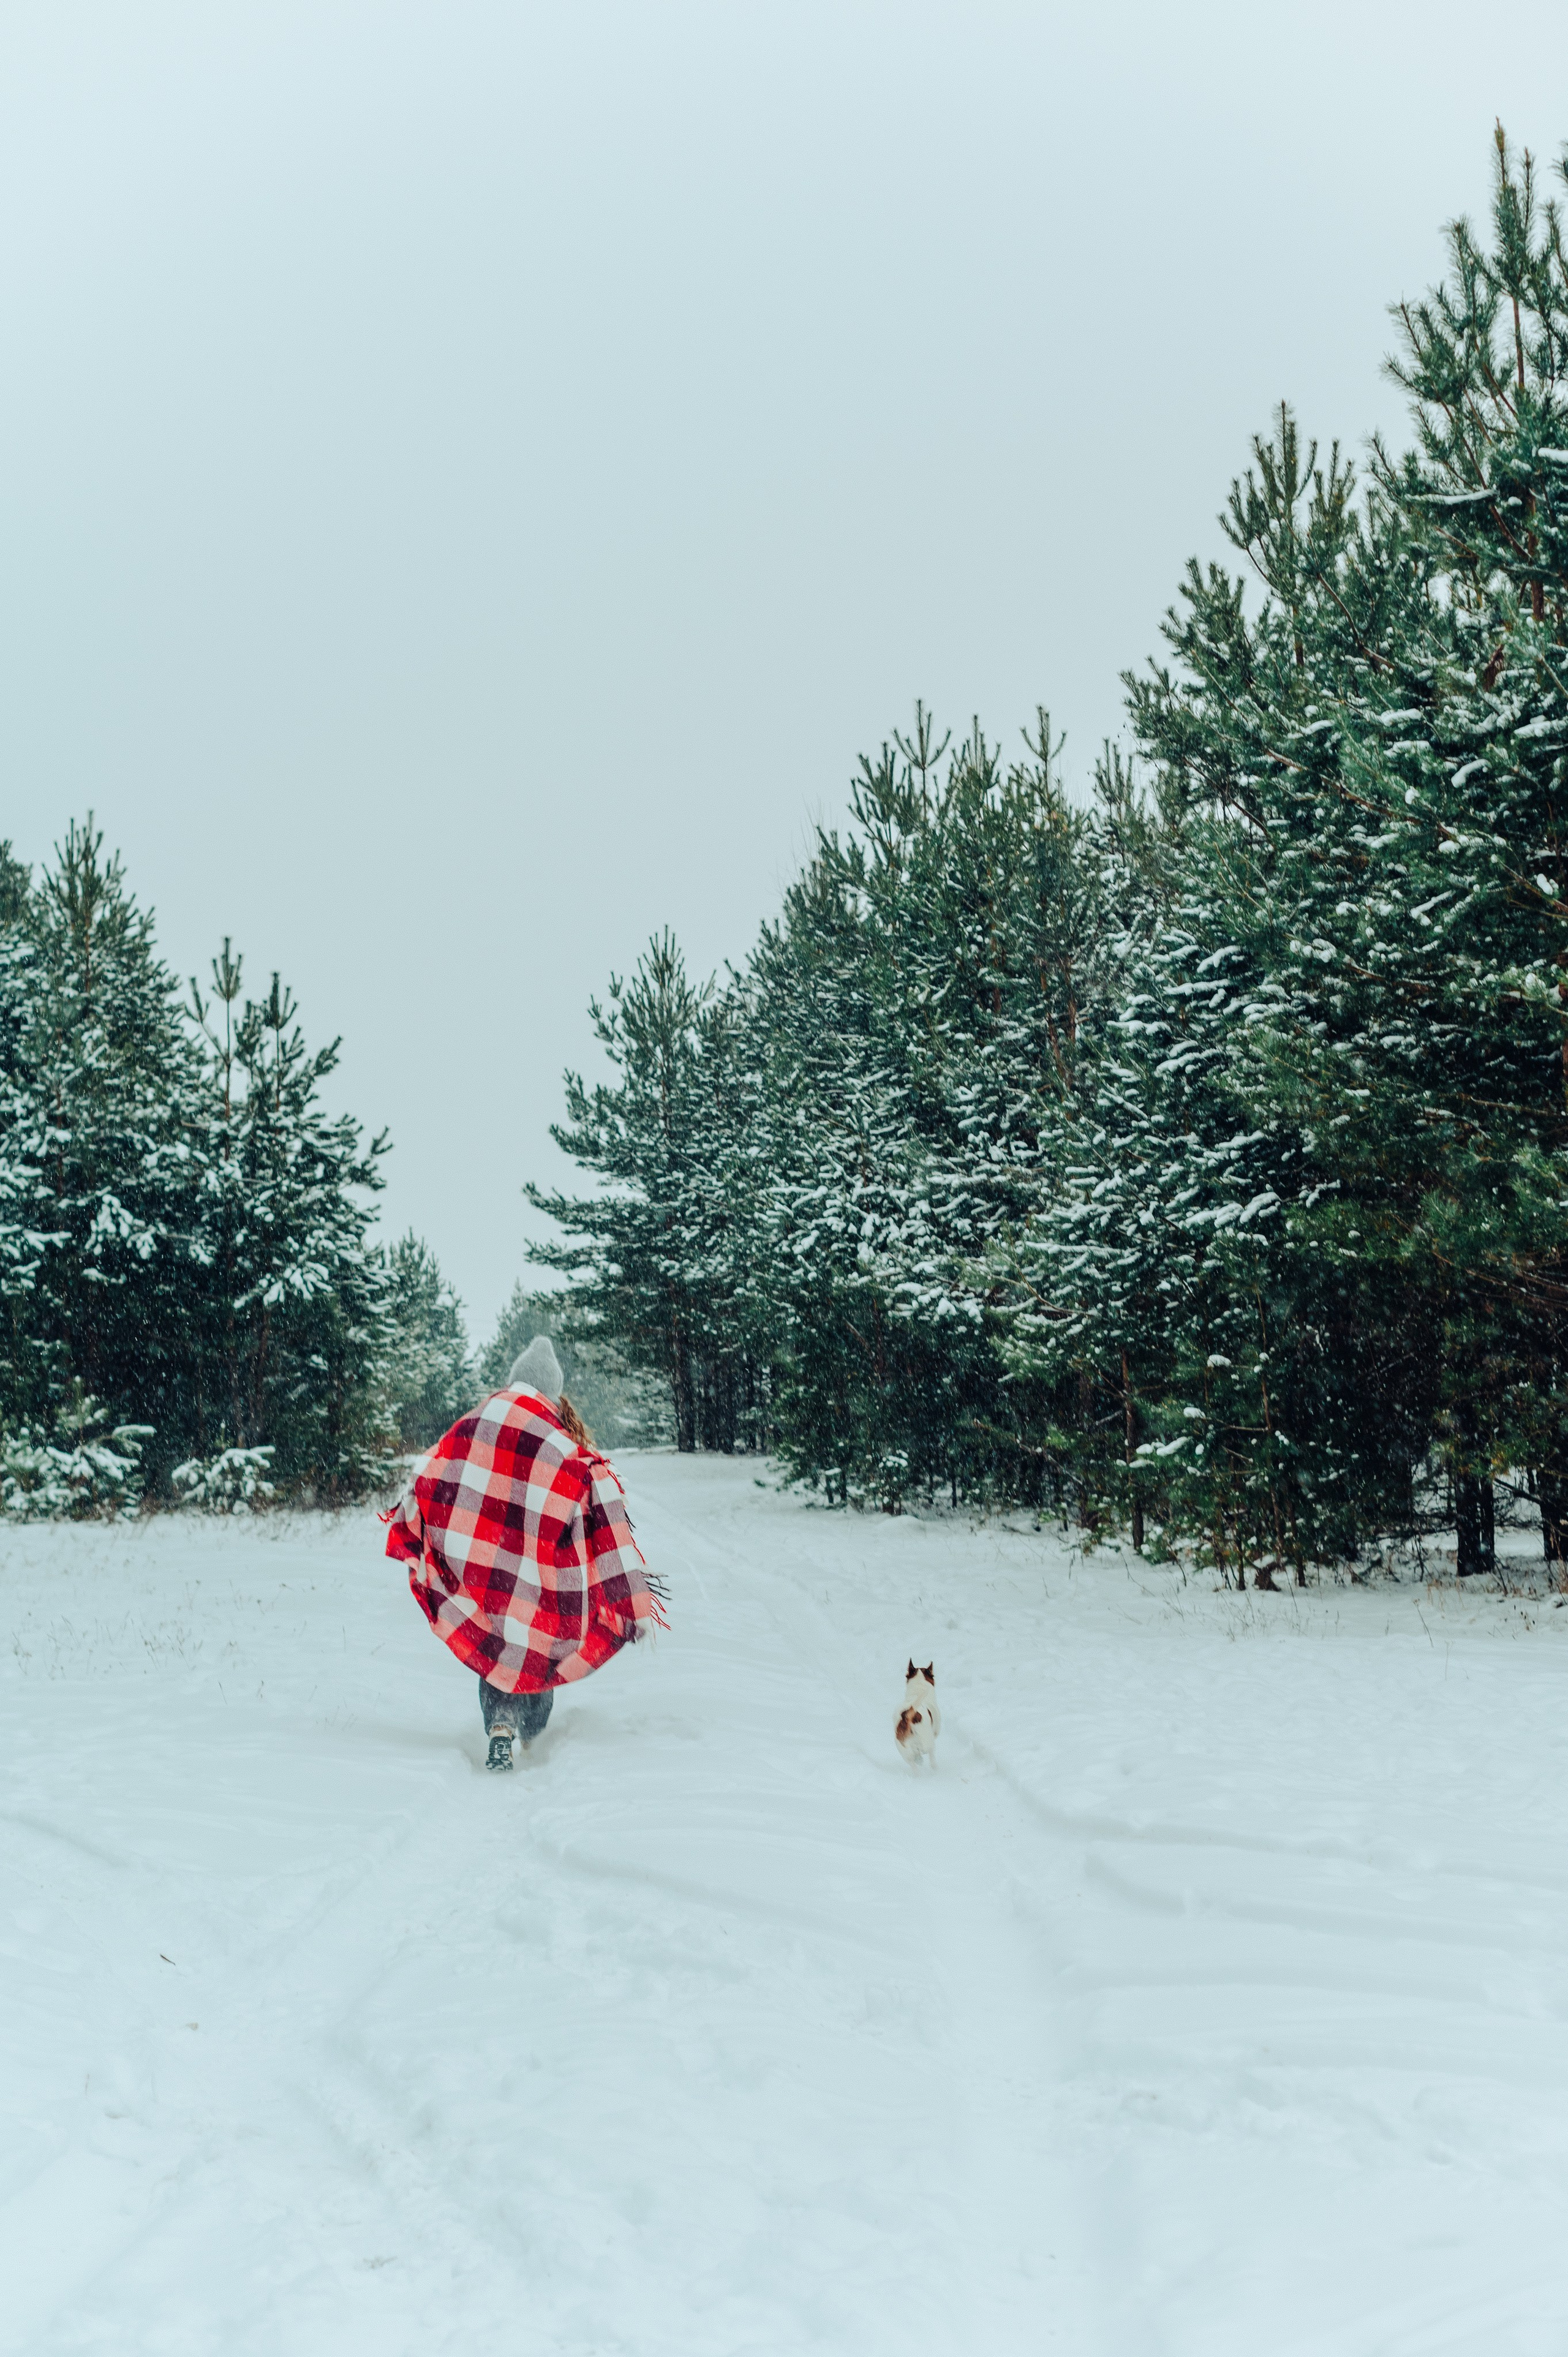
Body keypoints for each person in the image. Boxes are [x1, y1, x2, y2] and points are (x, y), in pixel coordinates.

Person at [382, 1334, 665, 1770]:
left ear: (516, 1378)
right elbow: (589, 1494)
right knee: (538, 1642)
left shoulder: (480, 1419)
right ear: (553, 1390)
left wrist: (420, 1523)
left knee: (496, 1644)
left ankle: (500, 1725)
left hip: (487, 1566)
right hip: (537, 1565)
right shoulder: (558, 1439)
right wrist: (619, 1588)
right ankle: (533, 1736)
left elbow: (437, 1469)